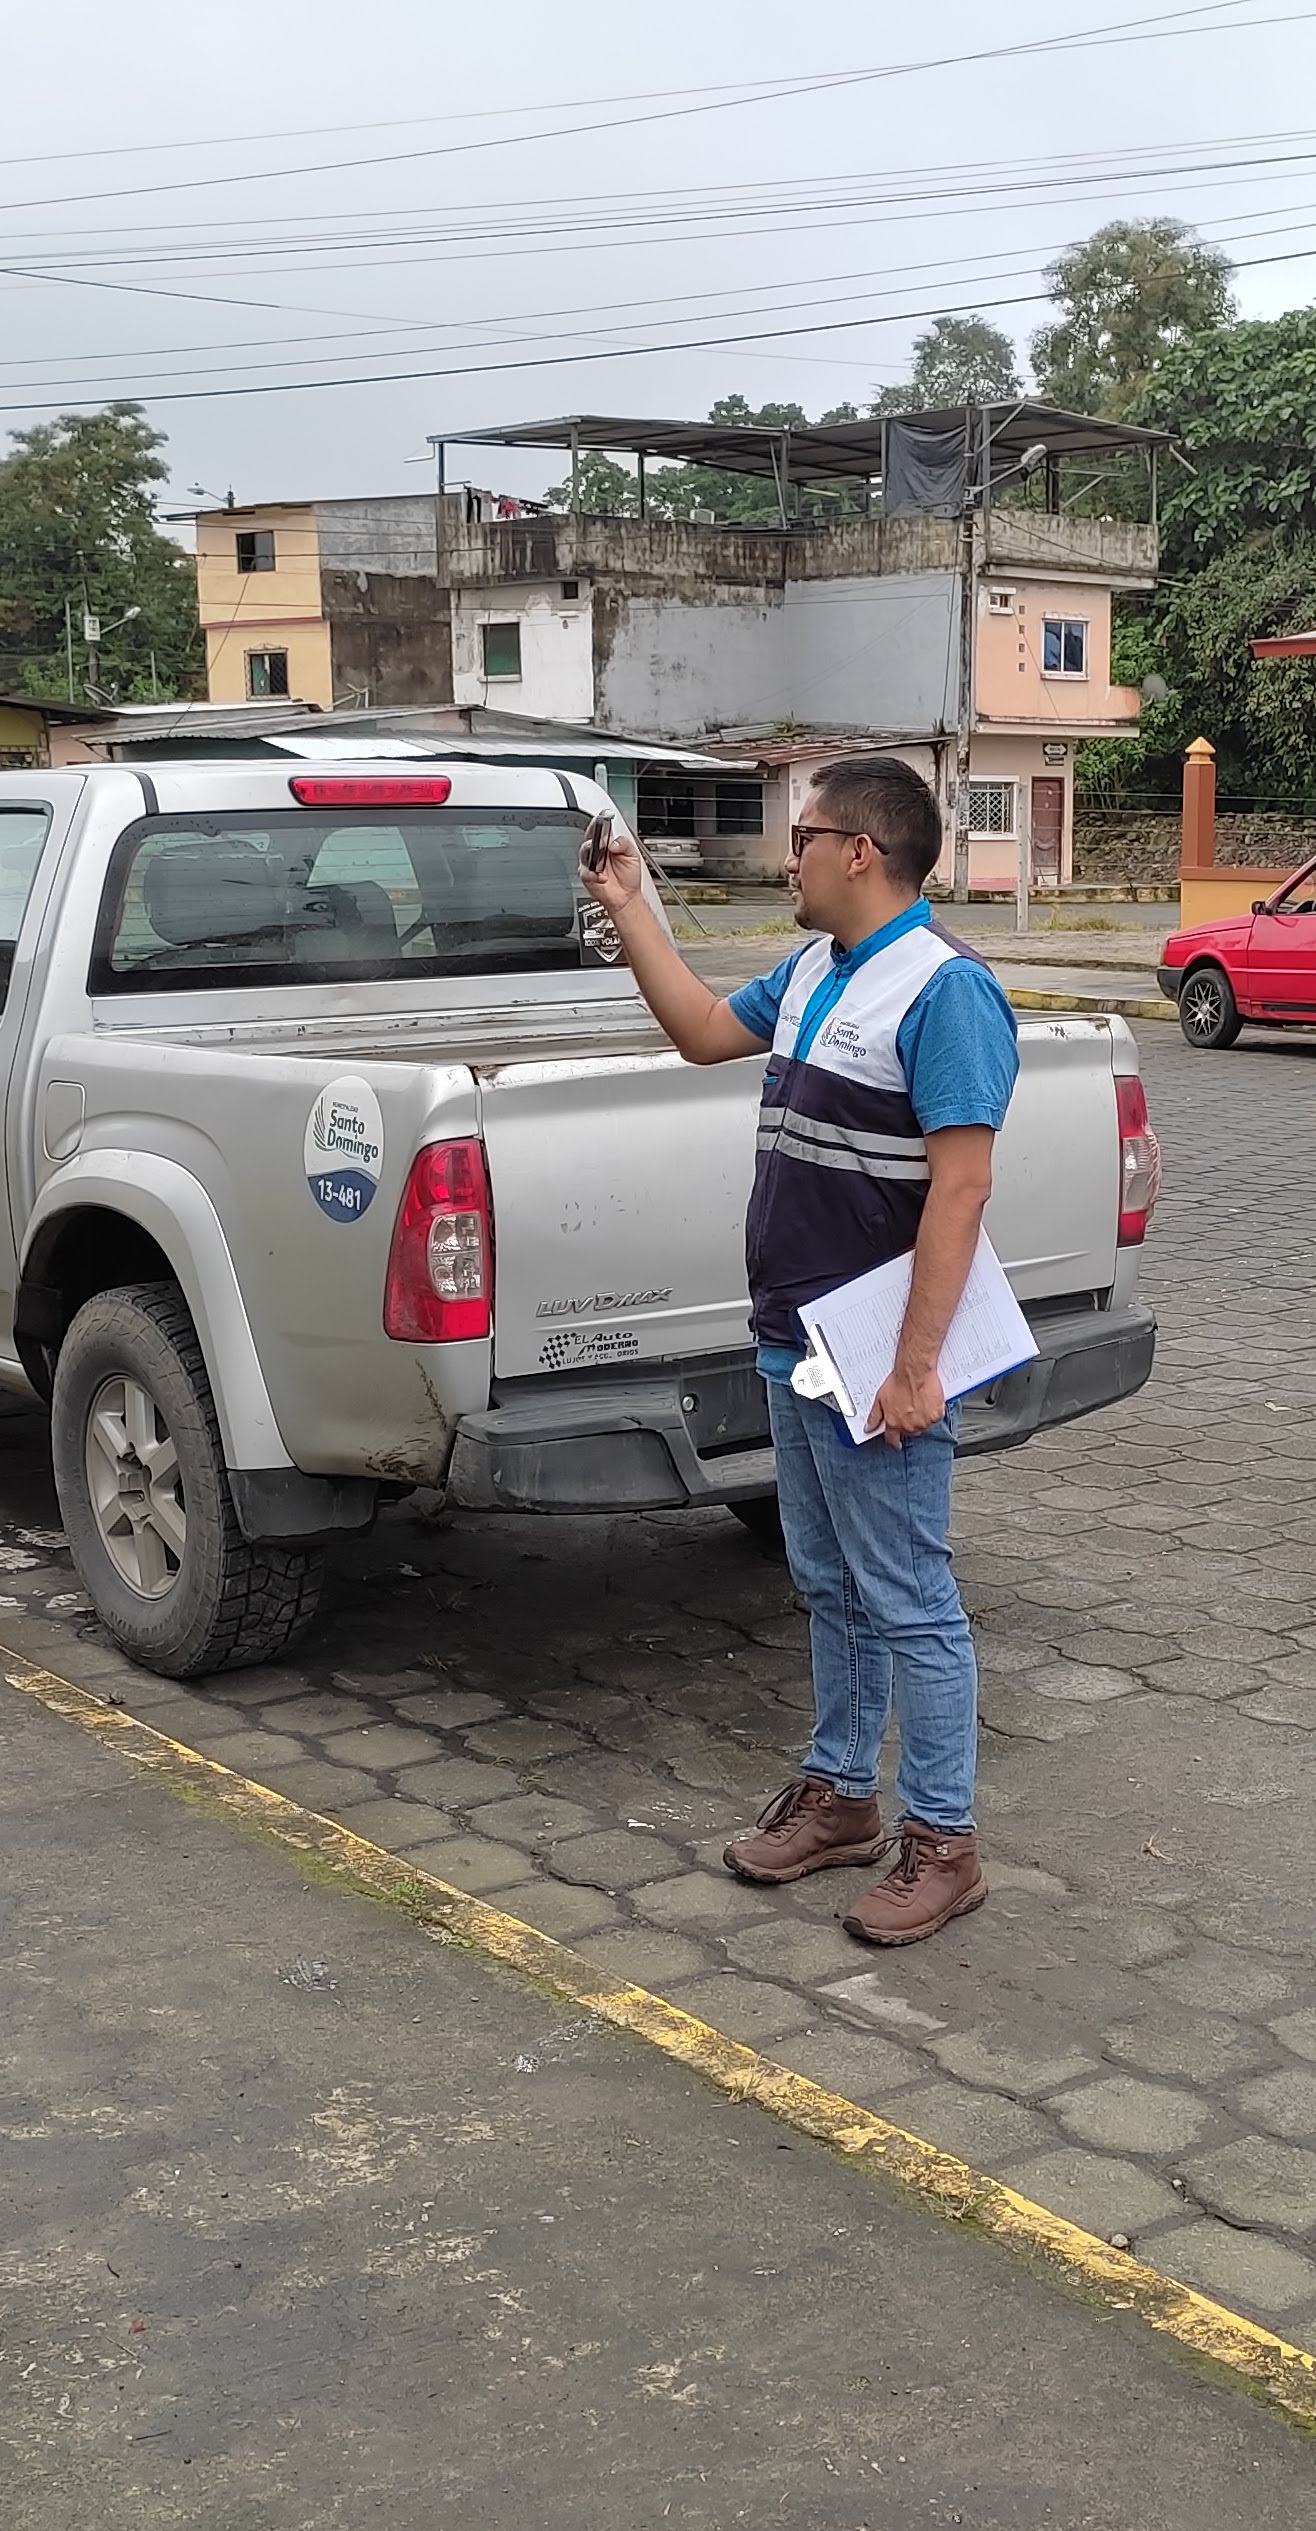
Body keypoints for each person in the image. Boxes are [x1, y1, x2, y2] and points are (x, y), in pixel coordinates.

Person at [578, 756, 1019, 1948]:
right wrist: (629, 904)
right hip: (794, 1337)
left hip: (875, 1351)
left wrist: (916, 1365)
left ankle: (944, 1842)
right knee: (827, 1582)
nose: (790, 857)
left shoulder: (945, 991)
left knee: (909, 1596)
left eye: (804, 836)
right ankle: (841, 1796)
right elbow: (699, 1032)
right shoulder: (818, 970)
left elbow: (962, 1187)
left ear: (859, 852)